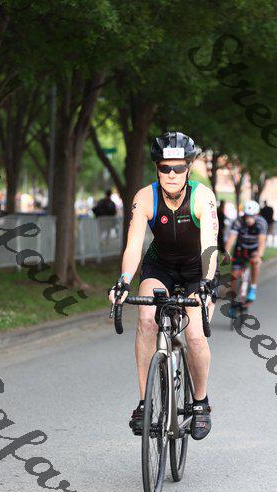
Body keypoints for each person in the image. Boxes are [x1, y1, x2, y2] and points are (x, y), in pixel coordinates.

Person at [108, 131, 219, 441]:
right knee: (146, 321)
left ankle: (200, 402)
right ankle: (145, 402)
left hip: (198, 269)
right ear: (157, 168)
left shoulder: (202, 196)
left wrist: (207, 282)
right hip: (161, 266)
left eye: (179, 167)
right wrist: (124, 280)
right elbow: (134, 245)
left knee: (194, 334)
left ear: (189, 168)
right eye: (164, 167)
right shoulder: (145, 197)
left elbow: (210, 245)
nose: (171, 174)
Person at [225, 200, 267, 312]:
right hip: (240, 249)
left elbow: (262, 242)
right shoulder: (238, 221)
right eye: (247, 216)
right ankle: (233, 300)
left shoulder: (261, 223)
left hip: (253, 250)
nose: (249, 219)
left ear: (257, 215)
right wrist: (227, 253)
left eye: (251, 216)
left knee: (255, 263)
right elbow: (231, 239)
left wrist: (259, 255)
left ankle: (253, 288)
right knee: (234, 275)